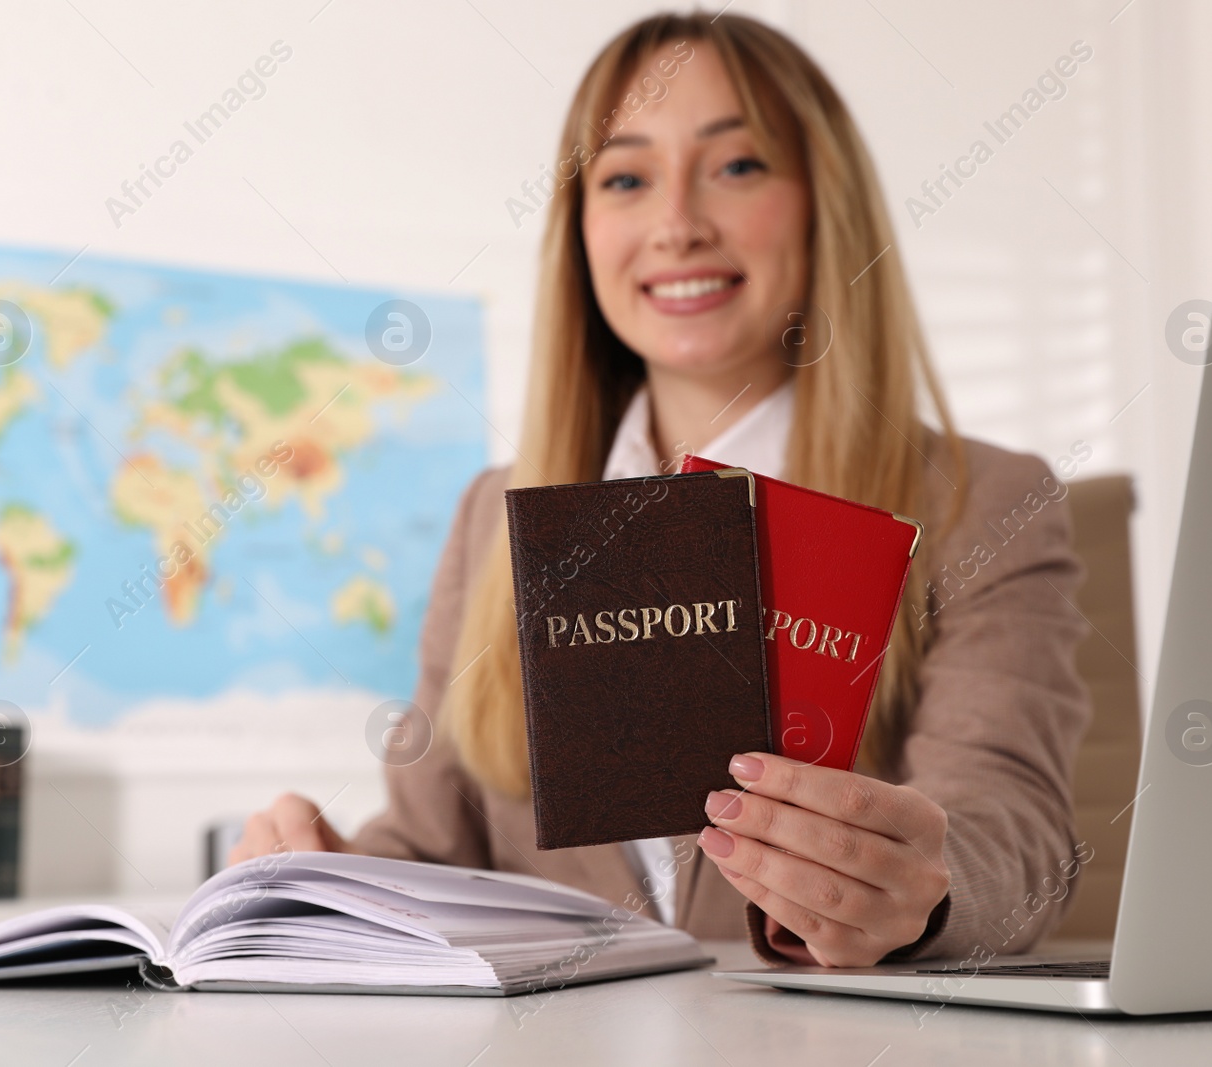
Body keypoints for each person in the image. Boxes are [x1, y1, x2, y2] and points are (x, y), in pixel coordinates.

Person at [229, 11, 1091, 968]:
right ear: (582, 228)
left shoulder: (984, 502)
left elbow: (1013, 837)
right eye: (627, 177)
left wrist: (921, 897)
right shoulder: (493, 514)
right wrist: (326, 878)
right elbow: (435, 850)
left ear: (822, 202)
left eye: (737, 166)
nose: (677, 224)